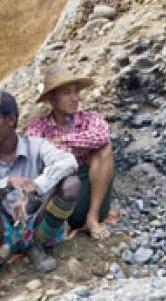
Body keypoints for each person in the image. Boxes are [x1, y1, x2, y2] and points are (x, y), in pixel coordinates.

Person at [0, 90, 80, 301]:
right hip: (2, 231)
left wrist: (34, 187)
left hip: (35, 222)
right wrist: (7, 184)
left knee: (72, 184)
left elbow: (69, 161)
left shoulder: (35, 145)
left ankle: (36, 245)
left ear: (11, 119)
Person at [26, 64, 114, 240]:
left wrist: (62, 141)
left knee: (105, 150)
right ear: (52, 99)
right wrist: (80, 148)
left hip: (93, 189)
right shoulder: (38, 127)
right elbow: (35, 151)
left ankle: (92, 218)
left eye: (76, 92)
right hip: (63, 191)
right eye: (67, 93)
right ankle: (56, 225)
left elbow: (101, 136)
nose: (75, 98)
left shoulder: (90, 118)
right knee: (58, 167)